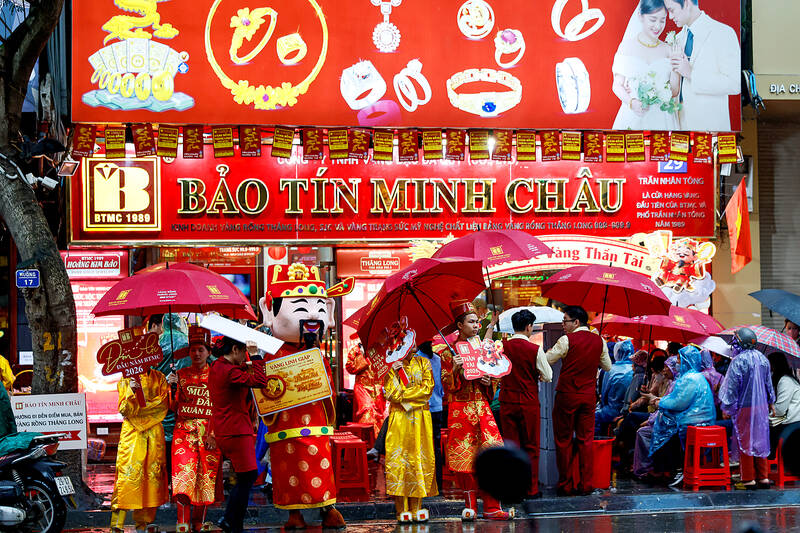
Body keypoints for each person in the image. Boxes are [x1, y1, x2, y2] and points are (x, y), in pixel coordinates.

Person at [258, 263, 349, 529]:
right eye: (299, 308)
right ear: (269, 311)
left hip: (316, 422)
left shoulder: (318, 353)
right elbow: (264, 389)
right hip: (286, 424)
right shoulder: (272, 353)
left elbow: (328, 387)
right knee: (288, 470)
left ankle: (327, 508)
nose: (312, 315)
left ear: (329, 312)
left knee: (321, 466)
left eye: (319, 308)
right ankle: (294, 513)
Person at [439, 299, 512, 520]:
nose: (476, 325)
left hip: (482, 408)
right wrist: (455, 370)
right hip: (461, 411)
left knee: (492, 456)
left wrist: (489, 382)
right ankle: (470, 505)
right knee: (467, 459)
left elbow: (491, 378)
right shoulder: (448, 353)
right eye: (471, 322)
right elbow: (445, 385)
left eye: (477, 322)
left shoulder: (481, 349)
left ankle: (492, 506)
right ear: (459, 325)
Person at [545, 306, 611, 496]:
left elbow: (548, 359)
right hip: (588, 396)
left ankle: (566, 484)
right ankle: (586, 484)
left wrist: (547, 352)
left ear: (576, 322)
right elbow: (607, 366)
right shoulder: (599, 340)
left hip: (567, 395)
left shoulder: (566, 340)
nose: (563, 325)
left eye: (565, 320)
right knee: (586, 440)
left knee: (564, 440)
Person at [208, 336, 269, 533]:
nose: (245, 357)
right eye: (244, 352)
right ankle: (231, 520)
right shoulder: (230, 371)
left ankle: (232, 521)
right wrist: (256, 356)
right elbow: (260, 381)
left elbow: (241, 371)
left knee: (245, 476)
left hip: (227, 429)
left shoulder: (218, 366)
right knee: (248, 475)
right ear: (235, 349)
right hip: (236, 430)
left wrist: (249, 362)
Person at [168, 326, 221, 533]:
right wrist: (171, 388)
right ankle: (182, 522)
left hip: (209, 433)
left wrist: (213, 435)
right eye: (193, 350)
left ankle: (200, 522)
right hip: (183, 434)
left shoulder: (216, 376)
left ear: (208, 352)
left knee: (205, 478)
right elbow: (173, 407)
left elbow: (220, 407)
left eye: (201, 350)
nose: (196, 354)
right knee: (183, 477)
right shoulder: (180, 375)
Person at [383, 327, 437, 523]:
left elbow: (427, 389)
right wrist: (394, 373)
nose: (413, 344)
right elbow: (390, 394)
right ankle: (401, 510)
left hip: (420, 419)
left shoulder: (424, 363)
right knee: (399, 462)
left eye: (413, 340)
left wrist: (403, 397)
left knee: (419, 461)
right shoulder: (391, 366)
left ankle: (416, 508)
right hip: (399, 419)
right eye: (407, 341)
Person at [664, 0, 741, 131]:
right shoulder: (677, 38)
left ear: (687, 3)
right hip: (679, 127)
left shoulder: (723, 33)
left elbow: (735, 83)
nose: (670, 17)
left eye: (672, 10)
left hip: (710, 128)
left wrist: (691, 74)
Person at [499, 309, 552, 499]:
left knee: (510, 447)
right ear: (529, 327)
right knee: (531, 446)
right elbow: (548, 375)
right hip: (528, 401)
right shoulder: (534, 349)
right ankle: (531, 489)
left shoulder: (502, 348)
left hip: (507, 400)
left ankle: (512, 489)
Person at [109, 367, 169, 533]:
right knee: (127, 476)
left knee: (152, 477)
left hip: (154, 434)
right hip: (132, 434)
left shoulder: (160, 377)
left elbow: (163, 405)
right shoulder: (127, 378)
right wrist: (131, 392)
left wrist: (138, 411)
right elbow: (123, 409)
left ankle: (144, 523)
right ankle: (117, 524)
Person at [648, 345, 715, 485]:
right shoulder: (696, 377)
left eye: (679, 359)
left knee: (665, 429)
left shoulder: (690, 378)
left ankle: (677, 468)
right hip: (701, 418)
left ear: (687, 360)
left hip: (694, 421)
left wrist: (660, 402)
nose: (677, 362)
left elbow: (679, 403)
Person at [719, 328, 776, 490]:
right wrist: (771, 402)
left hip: (744, 408)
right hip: (761, 407)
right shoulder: (763, 359)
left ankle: (748, 479)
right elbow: (769, 384)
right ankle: (763, 477)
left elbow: (731, 387)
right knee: (760, 440)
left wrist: (727, 407)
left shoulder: (738, 361)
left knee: (745, 441)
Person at [612, 0, 680, 130]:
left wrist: (676, 63)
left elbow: (674, 90)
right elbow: (617, 85)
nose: (658, 26)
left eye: (662, 20)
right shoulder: (627, 47)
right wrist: (631, 103)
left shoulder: (669, 50)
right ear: (640, 16)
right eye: (653, 20)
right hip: (634, 115)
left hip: (662, 118)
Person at [155, 313, 191, 481]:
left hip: (160, 395)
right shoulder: (186, 342)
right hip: (182, 395)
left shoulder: (157, 343)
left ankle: (166, 478)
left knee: (164, 435)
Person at [632, 355, 679, 479]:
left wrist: (650, 420)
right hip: (664, 418)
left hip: (670, 422)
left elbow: (667, 406)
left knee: (643, 432)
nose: (664, 370)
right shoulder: (673, 382)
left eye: (667, 367)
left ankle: (648, 468)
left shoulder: (676, 384)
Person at [415, 340, 445, 490]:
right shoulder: (437, 359)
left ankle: (425, 482)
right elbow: (441, 386)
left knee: (422, 446)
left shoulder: (416, 360)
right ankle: (437, 482)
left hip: (423, 409)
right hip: (437, 406)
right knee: (435, 446)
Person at [345, 344, 385, 439]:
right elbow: (350, 368)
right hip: (362, 387)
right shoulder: (356, 350)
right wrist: (363, 358)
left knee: (380, 416)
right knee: (366, 412)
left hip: (378, 388)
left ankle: (378, 443)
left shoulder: (381, 347)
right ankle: (366, 442)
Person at [595, 340, 635, 435]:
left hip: (613, 410)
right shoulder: (635, 369)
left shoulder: (610, 370)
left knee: (594, 417)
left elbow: (604, 394)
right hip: (630, 410)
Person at [767, 352, 800, 459]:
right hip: (788, 421)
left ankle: (769, 459)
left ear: (775, 364)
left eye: (769, 363)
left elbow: (780, 410)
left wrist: (767, 413)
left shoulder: (785, 381)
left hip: (792, 423)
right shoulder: (779, 379)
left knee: (763, 430)